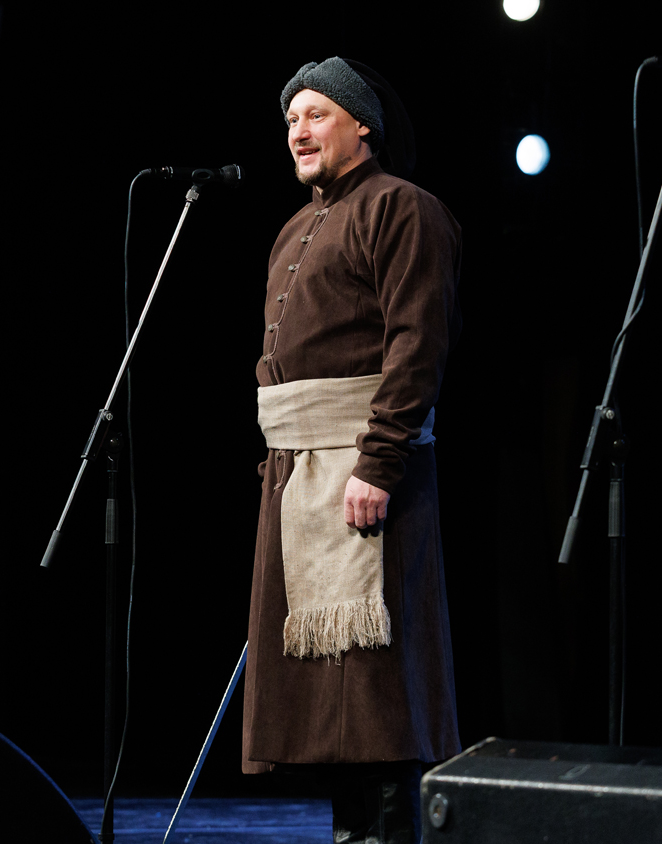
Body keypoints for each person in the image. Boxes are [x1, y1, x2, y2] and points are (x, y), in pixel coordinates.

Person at [242, 57, 463, 842]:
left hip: (366, 469)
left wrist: (377, 462)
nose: (298, 131)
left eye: (316, 114)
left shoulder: (400, 207)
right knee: (325, 691)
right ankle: (350, 834)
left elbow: (416, 344)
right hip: (298, 473)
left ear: (361, 122)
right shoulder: (293, 227)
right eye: (289, 120)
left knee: (375, 683)